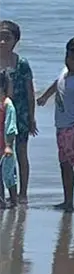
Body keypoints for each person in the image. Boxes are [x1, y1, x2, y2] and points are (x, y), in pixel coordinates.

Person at [36, 35, 74, 213]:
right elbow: (57, 83)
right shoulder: (65, 71)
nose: (69, 61)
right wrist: (45, 96)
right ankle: (68, 201)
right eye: (68, 56)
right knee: (64, 164)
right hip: (61, 127)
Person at [0, 20, 35, 205]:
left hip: (20, 114)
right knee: (3, 154)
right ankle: (5, 193)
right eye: (0, 37)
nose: (2, 42)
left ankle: (22, 193)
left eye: (7, 38)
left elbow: (30, 92)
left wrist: (32, 117)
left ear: (16, 40)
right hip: (0, 115)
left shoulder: (21, 63)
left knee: (21, 152)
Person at [0, 69, 18, 208]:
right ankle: (1, 200)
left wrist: (8, 145)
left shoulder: (7, 104)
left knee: (9, 174)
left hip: (5, 146)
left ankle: (13, 201)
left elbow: (11, 127)